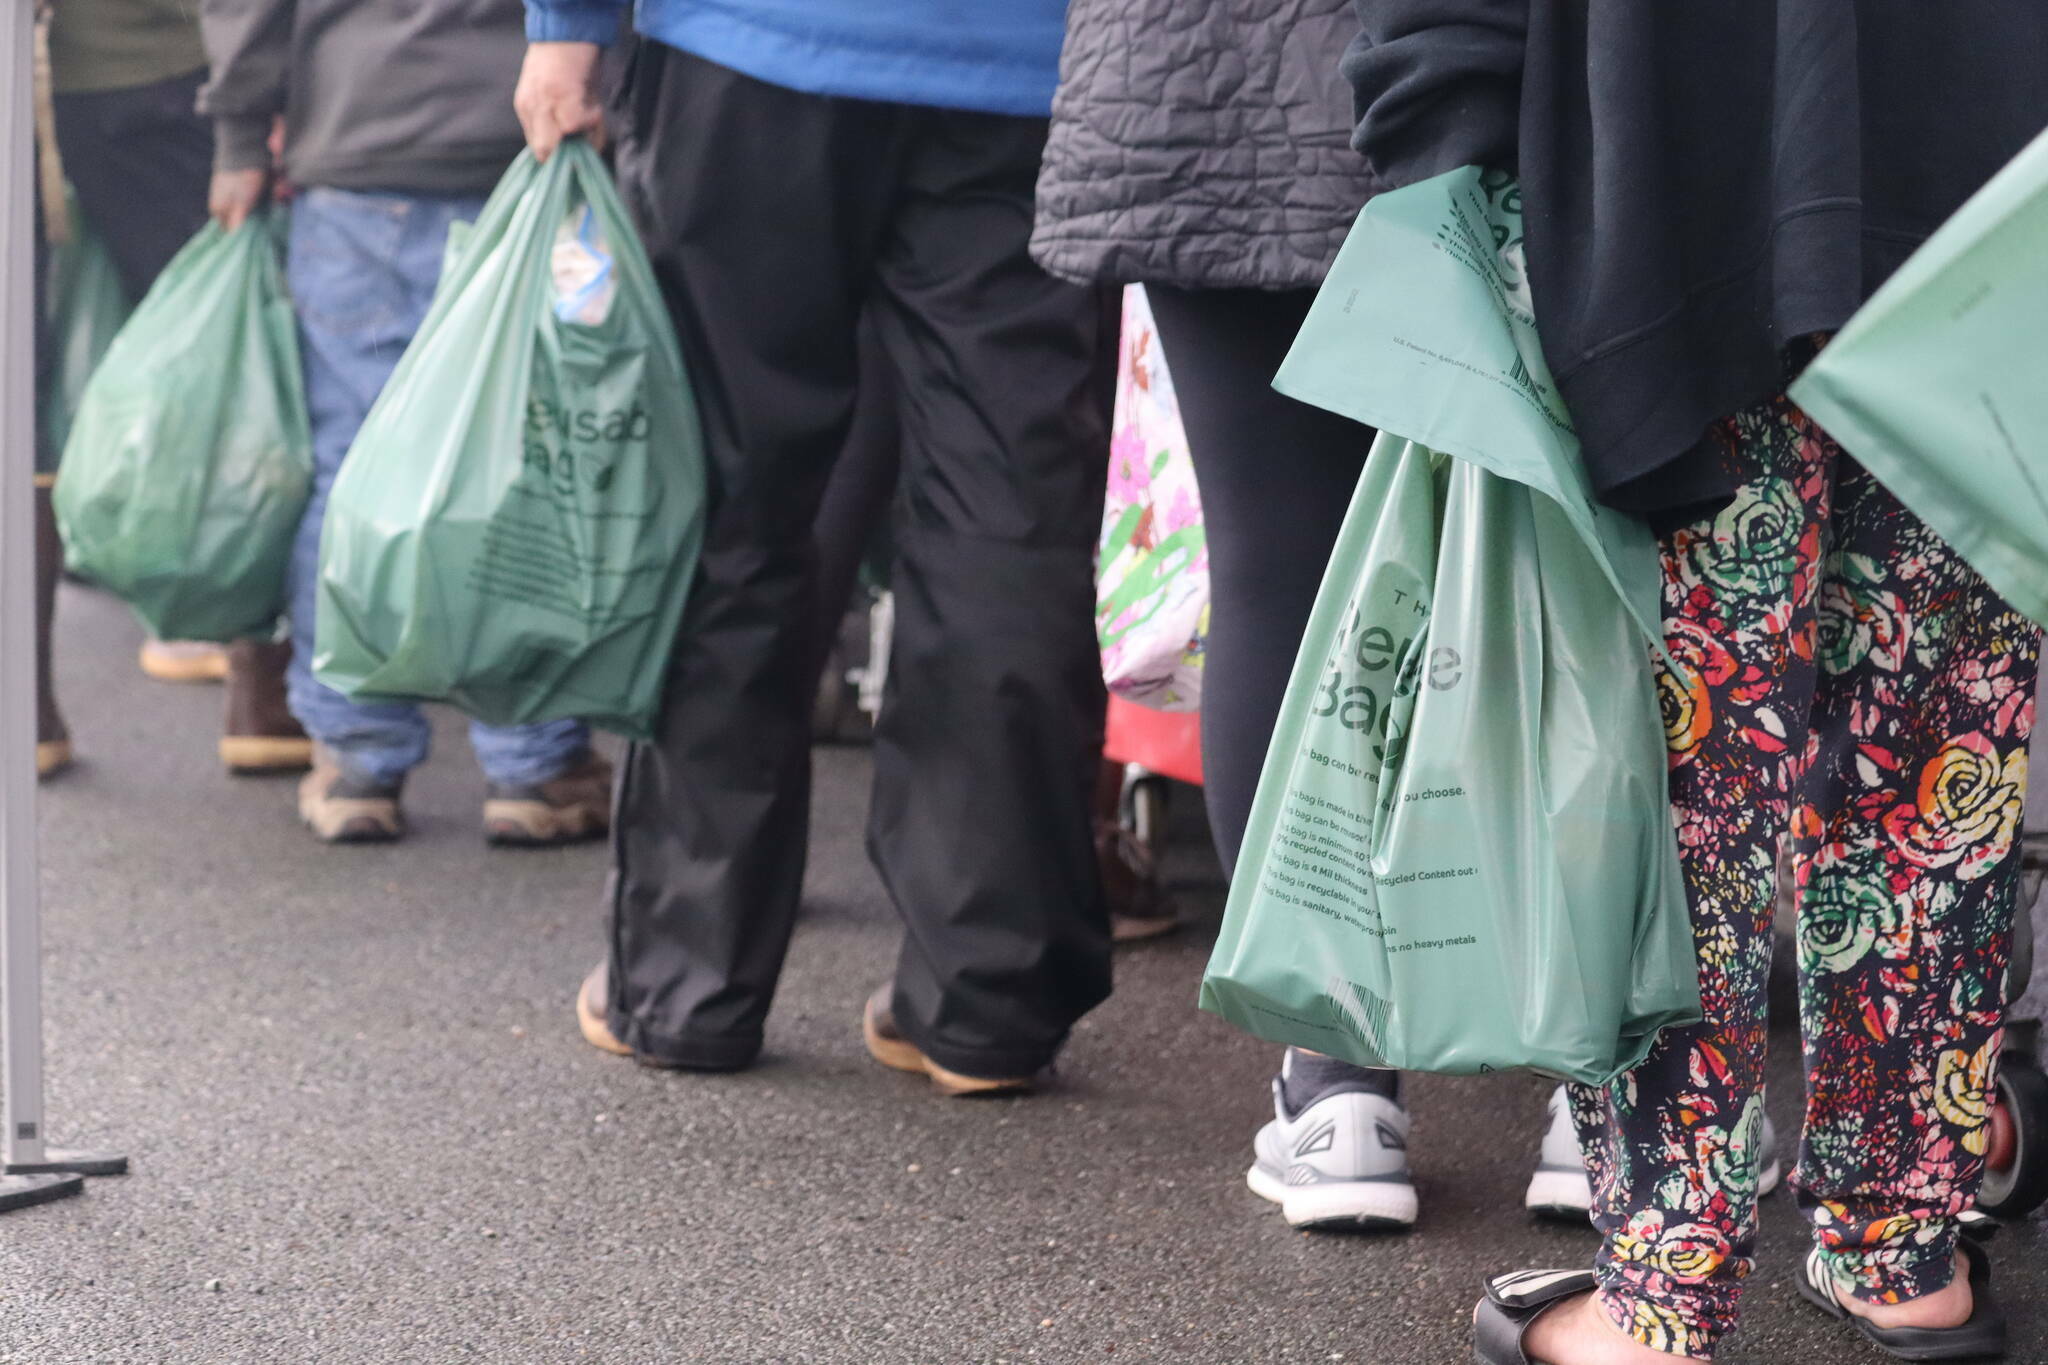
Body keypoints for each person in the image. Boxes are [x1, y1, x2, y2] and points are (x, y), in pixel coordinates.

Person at [1338, 5, 2047, 1362]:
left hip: (1694, 173)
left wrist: (1443, 126)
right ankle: (1905, 1258)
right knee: (1936, 743)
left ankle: (1663, 1291)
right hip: (1993, 182)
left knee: (1687, 771)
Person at [1030, 0, 1785, 1232]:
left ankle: (1335, 1094)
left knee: (1277, 570)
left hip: (1202, 89)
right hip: (1537, 89)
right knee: (1609, 569)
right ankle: (1599, 1087)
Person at [515, 1, 1116, 1090]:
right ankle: (989, 997)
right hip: (1030, 66)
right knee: (1006, 514)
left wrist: (568, 24)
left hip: (755, 44)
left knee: (731, 502)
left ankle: (686, 982)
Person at [197, 0, 611, 846]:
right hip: (530, 139)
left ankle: (357, 758)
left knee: (353, 471)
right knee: (528, 461)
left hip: (357, 149)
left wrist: (241, 141)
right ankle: (533, 764)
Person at [34, 0, 309, 778]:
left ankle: (27, 712)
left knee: (21, 396)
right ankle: (259, 683)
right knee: (230, 351)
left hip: (76, 67)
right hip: (141, 60)